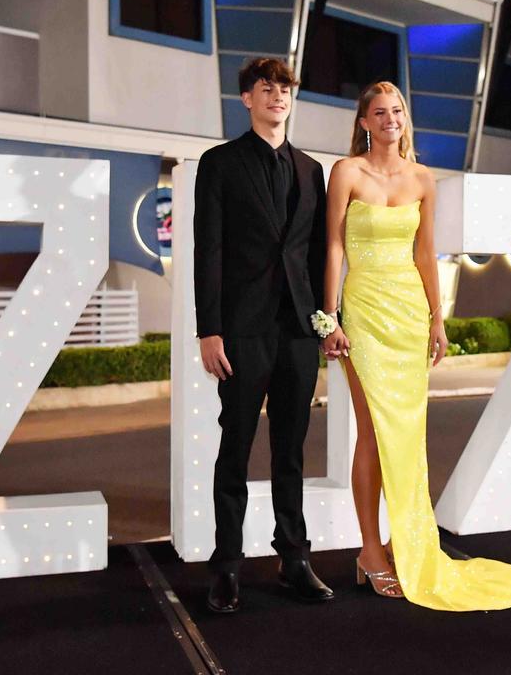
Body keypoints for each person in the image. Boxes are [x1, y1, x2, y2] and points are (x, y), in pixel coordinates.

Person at [317, 81, 511, 610]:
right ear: (364, 122)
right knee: (371, 431)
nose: (391, 119)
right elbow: (331, 248)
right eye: (380, 112)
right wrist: (330, 320)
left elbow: (426, 253)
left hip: (409, 314)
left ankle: (404, 542)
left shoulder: (423, 179)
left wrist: (437, 321)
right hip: (364, 314)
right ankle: (369, 552)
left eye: (397, 111)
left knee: (408, 436)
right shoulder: (345, 172)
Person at [194, 57, 334, 613]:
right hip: (243, 331)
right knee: (235, 447)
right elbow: (210, 249)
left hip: (299, 330)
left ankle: (293, 558)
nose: (277, 95)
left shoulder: (310, 169)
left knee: (291, 449)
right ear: (246, 99)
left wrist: (327, 316)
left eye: (284, 88)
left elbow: (320, 251)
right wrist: (210, 330)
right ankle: (226, 564)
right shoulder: (219, 163)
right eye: (266, 88)